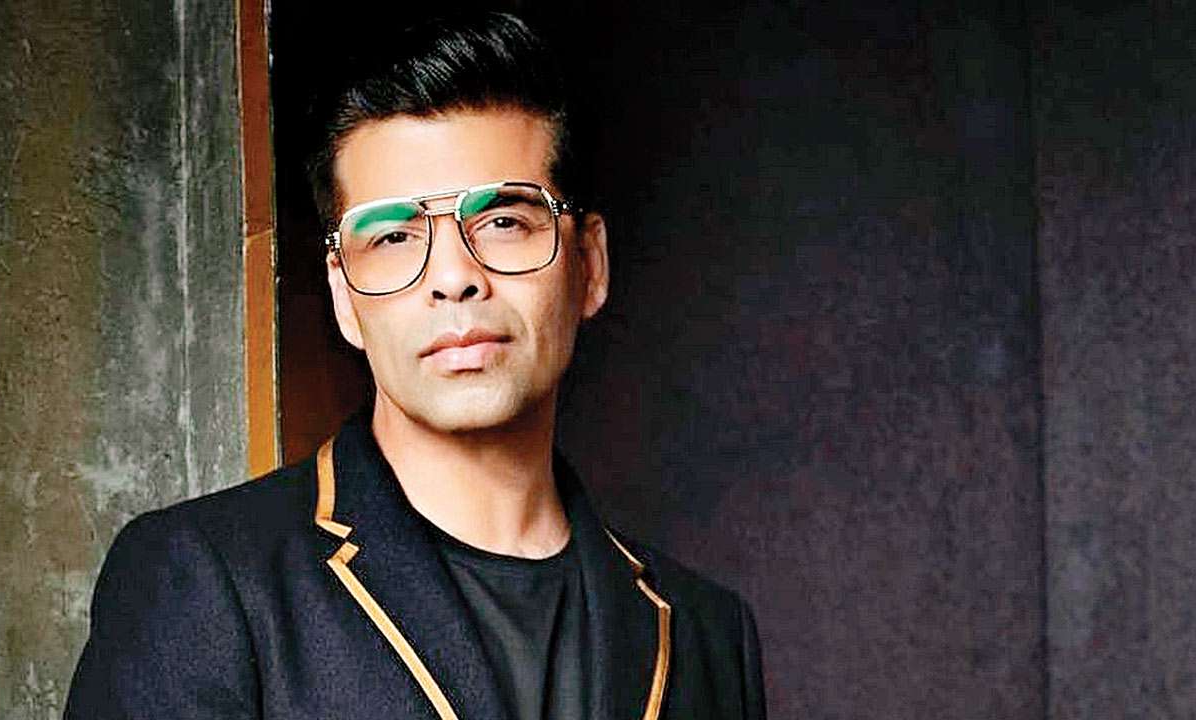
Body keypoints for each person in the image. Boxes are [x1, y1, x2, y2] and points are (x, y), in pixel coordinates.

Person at [64, 12, 765, 720]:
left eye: (503, 221)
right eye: (395, 236)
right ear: (344, 296)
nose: (453, 278)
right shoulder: (206, 580)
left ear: (588, 263)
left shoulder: (708, 632)